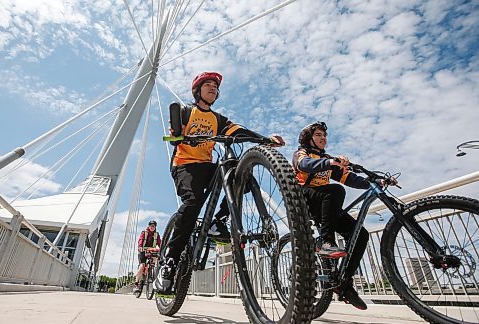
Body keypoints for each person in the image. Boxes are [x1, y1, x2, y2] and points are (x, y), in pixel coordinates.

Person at [154, 72, 284, 296]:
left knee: (237, 172)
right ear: (198, 90)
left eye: (216, 86)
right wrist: (177, 133)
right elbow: (175, 131)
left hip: (206, 166)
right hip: (185, 165)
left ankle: (219, 221)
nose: (213, 88)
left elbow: (239, 131)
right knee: (193, 202)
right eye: (208, 85)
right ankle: (169, 262)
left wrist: (264, 139)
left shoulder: (219, 120)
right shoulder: (187, 111)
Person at [292, 121, 395, 310]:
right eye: (318, 135)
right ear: (309, 138)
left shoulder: (328, 159)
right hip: (304, 198)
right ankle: (325, 241)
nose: (323, 138)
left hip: (325, 203)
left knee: (360, 234)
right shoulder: (302, 152)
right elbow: (304, 165)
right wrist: (329, 162)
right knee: (335, 191)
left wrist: (378, 181)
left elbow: (350, 179)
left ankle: (344, 283)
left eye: (324, 135)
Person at [133, 220, 161, 292]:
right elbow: (141, 240)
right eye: (151, 226)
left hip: (152, 251)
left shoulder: (156, 234)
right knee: (142, 266)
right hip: (143, 251)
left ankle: (150, 273)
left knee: (154, 261)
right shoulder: (144, 233)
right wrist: (140, 247)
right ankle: (136, 284)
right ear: (149, 226)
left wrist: (161, 248)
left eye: (154, 226)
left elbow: (159, 243)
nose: (152, 227)